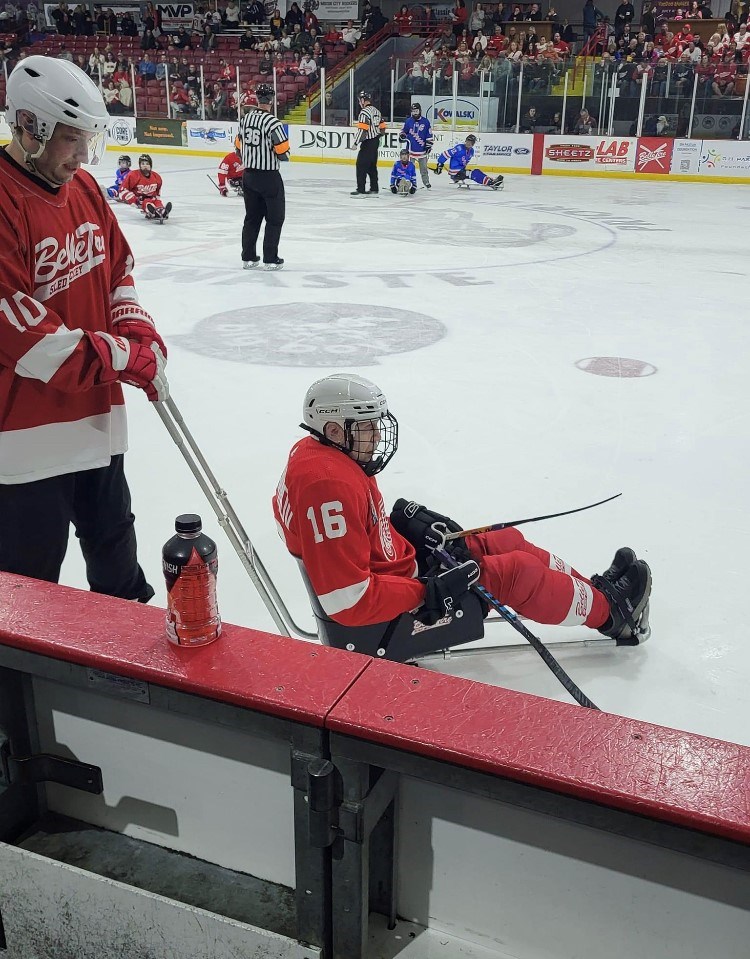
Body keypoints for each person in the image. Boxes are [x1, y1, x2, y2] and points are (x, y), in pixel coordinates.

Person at [272, 375, 652, 643]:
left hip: (396, 573)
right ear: (335, 429)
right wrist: (425, 591)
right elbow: (347, 601)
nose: (375, 436)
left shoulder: (315, 455)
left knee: (503, 540)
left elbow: (341, 539)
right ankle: (612, 616)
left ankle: (593, 591)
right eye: (367, 427)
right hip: (389, 608)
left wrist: (401, 529)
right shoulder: (327, 485)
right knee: (515, 572)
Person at [0, 56, 168, 601]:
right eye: (70, 138)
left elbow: (118, 268)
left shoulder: (87, 189)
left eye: (86, 139)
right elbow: (27, 338)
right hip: (25, 442)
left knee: (119, 572)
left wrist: (137, 331)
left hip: (98, 421)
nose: (80, 155)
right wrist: (120, 357)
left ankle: (131, 681)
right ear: (29, 127)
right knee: (27, 595)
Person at [238, 81, 290, 271]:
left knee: (252, 218)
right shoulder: (272, 122)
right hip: (268, 177)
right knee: (275, 218)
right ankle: (270, 258)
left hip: (249, 176)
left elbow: (238, 146)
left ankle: (248, 258)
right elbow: (283, 152)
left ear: (257, 98)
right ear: (272, 100)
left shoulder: (245, 119)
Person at [350, 90, 386, 196]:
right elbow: (383, 127)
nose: (359, 103)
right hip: (375, 141)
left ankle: (361, 189)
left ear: (362, 100)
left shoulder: (364, 112)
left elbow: (363, 130)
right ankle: (374, 188)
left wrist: (356, 143)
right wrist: (377, 136)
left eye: (359, 100)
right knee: (371, 166)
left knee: (361, 165)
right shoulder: (376, 111)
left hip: (367, 142)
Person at [435, 134, 503, 189]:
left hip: (461, 171)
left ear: (473, 143)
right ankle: (491, 183)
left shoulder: (471, 151)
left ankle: (491, 180)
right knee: (474, 174)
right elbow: (445, 154)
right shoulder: (459, 148)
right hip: (455, 172)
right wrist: (440, 165)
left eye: (471, 142)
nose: (468, 143)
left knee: (476, 171)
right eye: (467, 141)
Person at [119, 153, 172, 220]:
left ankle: (162, 211)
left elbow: (157, 192)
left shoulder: (156, 177)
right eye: (143, 164)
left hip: (152, 199)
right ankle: (153, 212)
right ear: (140, 166)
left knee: (158, 202)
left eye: (147, 164)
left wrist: (157, 199)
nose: (145, 166)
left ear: (150, 165)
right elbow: (122, 190)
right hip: (139, 200)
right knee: (147, 203)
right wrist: (133, 200)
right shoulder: (133, 175)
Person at [399, 102, 433, 189]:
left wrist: (429, 145)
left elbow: (429, 135)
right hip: (410, 150)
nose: (415, 113)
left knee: (424, 169)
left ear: (420, 111)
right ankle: (407, 183)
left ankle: (426, 182)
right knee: (408, 169)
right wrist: (402, 135)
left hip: (422, 150)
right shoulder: (408, 121)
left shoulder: (425, 122)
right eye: (413, 111)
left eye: (416, 111)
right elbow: (404, 131)